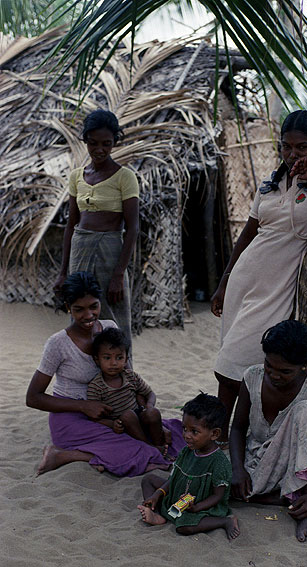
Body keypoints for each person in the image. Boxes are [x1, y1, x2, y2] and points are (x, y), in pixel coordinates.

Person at [211, 109, 307, 443]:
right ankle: (222, 439)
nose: (293, 154)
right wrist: (225, 280)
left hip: (277, 288)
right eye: (286, 147)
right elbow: (247, 235)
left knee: (233, 367)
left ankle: (231, 435)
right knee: (230, 364)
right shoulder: (269, 185)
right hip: (244, 280)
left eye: (301, 147)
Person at [26, 271, 185, 476]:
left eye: (94, 306)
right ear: (68, 308)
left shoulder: (109, 327)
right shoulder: (58, 343)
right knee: (131, 447)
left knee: (170, 434)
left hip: (114, 410)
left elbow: (128, 376)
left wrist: (143, 413)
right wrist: (84, 406)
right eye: (79, 309)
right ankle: (62, 455)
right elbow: (33, 397)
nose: (89, 315)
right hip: (71, 418)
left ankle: (84, 454)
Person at [229, 320, 307, 542]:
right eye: (269, 366)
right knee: (216, 485)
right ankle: (279, 498)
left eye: (285, 371)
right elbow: (237, 428)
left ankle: (303, 500)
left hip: (297, 470)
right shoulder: (252, 377)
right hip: (258, 465)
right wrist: (237, 470)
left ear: (304, 365)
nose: (274, 375)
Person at [54, 109, 139, 344]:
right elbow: (71, 225)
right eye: (93, 143)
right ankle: (83, 374)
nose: (99, 149)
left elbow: (132, 228)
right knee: (80, 311)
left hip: (110, 250)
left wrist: (118, 275)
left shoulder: (125, 177)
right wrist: (63, 273)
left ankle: (122, 376)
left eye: (106, 144)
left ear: (114, 143)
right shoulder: (76, 176)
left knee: (114, 315)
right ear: (85, 141)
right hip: (79, 250)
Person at [137, 393, 240, 541]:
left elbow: (218, 496)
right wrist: (157, 494)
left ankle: (225, 521)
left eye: (194, 431)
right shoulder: (187, 451)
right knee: (148, 480)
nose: (186, 435)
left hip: (202, 505)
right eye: (184, 428)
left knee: (184, 527)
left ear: (214, 434)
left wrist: (196, 507)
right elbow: (174, 479)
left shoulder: (219, 462)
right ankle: (155, 513)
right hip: (179, 494)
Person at [88, 327, 171, 455]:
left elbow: (150, 393)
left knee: (153, 413)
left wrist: (149, 406)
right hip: (122, 425)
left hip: (139, 417)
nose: (113, 363)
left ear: (127, 359)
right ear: (97, 360)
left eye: (119, 358)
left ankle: (160, 445)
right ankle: (148, 447)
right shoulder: (96, 386)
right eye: (107, 358)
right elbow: (94, 417)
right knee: (128, 415)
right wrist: (112, 424)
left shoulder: (131, 376)